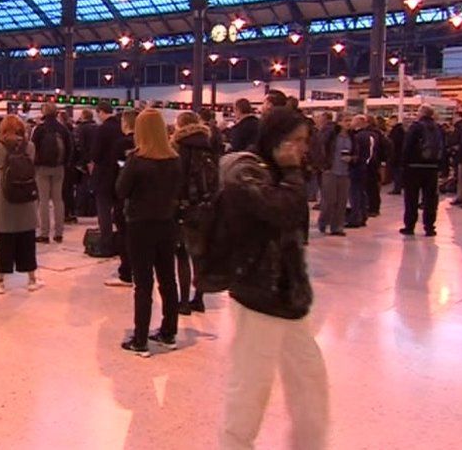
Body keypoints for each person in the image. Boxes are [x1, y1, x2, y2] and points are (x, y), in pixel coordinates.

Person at [204, 107, 327, 449]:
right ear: (277, 138)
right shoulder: (244, 171)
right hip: (257, 294)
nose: (302, 148)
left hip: (288, 295)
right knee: (250, 385)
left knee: (309, 380)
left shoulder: (280, 173)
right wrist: (291, 173)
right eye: (297, 140)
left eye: (306, 140)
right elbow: (282, 213)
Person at [115, 108, 183, 357]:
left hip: (140, 225)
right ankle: (169, 332)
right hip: (167, 223)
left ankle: (140, 339)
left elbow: (121, 190)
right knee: (168, 279)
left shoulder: (137, 160)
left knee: (143, 283)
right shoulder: (175, 159)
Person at [0, 115, 42, 294]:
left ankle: (0, 281)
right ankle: (32, 279)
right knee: (27, 239)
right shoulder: (30, 147)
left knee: (4, 241)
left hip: (5, 198)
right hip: (26, 197)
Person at [171, 111, 216, 315]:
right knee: (199, 253)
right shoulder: (209, 144)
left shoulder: (180, 147)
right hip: (205, 205)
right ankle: (199, 298)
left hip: (184, 205)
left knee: (182, 254)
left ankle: (183, 302)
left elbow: (178, 179)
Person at [105, 110, 140, 287]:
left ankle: (126, 272)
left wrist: (112, 195)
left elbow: (115, 172)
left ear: (125, 123)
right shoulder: (145, 143)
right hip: (142, 198)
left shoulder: (121, 144)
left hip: (123, 195)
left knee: (124, 234)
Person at [31, 102, 73, 244]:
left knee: (43, 201)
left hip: (42, 168)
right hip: (59, 167)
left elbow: (33, 148)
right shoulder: (63, 129)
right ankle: (59, 233)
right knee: (58, 200)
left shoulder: (39, 129)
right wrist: (65, 164)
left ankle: (44, 233)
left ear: (44, 112)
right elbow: (69, 147)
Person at [400, 105, 444, 237]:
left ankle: (410, 226)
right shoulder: (438, 128)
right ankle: (429, 227)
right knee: (430, 199)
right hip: (432, 168)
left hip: (414, 167)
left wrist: (404, 164)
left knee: (411, 198)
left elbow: (407, 147)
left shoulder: (416, 127)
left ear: (421, 113)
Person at [90, 100, 124, 256]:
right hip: (120, 174)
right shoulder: (121, 127)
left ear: (101, 112)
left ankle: (106, 245)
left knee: (103, 211)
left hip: (103, 175)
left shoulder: (102, 129)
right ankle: (121, 243)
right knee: (119, 211)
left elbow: (96, 154)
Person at [318, 114, 352, 236]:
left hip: (345, 172)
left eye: (350, 120)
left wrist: (352, 158)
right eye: (346, 120)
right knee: (329, 200)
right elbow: (322, 148)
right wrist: (324, 165)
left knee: (342, 201)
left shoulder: (351, 137)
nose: (348, 123)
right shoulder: (332, 135)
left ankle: (337, 226)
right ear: (339, 122)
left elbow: (356, 152)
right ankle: (323, 221)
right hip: (331, 170)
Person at [346, 115, 374, 229]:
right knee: (362, 192)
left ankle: (355, 218)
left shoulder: (356, 136)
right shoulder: (369, 136)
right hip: (364, 167)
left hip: (355, 167)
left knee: (354, 193)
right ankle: (363, 216)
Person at [74, 109, 98, 217]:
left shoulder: (81, 129)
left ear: (83, 116)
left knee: (82, 187)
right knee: (93, 186)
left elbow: (80, 146)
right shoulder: (97, 128)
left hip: (84, 162)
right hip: (96, 161)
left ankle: (82, 210)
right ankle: (93, 209)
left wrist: (82, 162)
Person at [58, 110, 79, 223]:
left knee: (62, 192)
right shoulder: (72, 129)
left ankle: (65, 214)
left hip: (63, 165)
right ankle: (72, 212)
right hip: (71, 165)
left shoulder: (62, 131)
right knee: (69, 191)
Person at [387, 115, 405, 195]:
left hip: (396, 154)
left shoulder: (397, 130)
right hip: (398, 154)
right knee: (397, 171)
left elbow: (393, 142)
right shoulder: (400, 130)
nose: (390, 122)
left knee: (396, 171)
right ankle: (398, 186)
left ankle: (397, 188)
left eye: (391, 120)